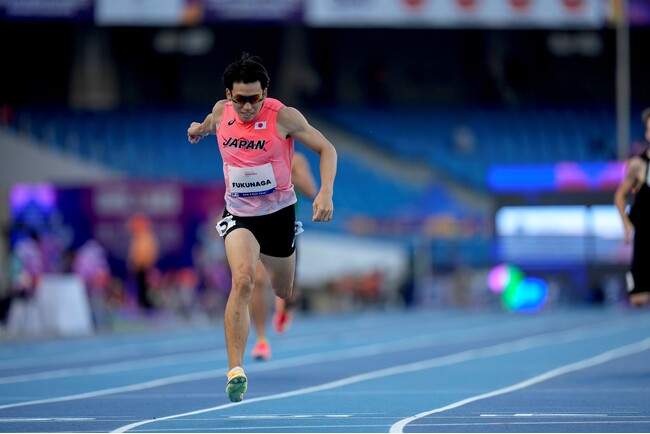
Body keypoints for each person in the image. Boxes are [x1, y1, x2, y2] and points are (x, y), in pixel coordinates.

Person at [187, 53, 337, 402]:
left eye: (255, 98)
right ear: (229, 95)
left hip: (279, 214)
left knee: (283, 290)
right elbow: (209, 124)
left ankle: (282, 302)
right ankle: (235, 370)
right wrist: (198, 130)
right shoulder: (222, 112)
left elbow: (327, 148)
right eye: (240, 99)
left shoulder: (284, 117)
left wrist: (325, 192)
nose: (247, 107)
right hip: (239, 214)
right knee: (243, 280)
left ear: (265, 93)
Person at [249, 152, 317, 362]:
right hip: (256, 222)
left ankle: (285, 306)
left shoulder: (295, 159)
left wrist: (283, 173)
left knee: (288, 293)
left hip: (285, 226)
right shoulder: (251, 152)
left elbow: (310, 190)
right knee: (258, 281)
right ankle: (261, 340)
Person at [614, 107, 650, 307]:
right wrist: (626, 224)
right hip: (644, 235)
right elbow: (619, 196)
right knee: (638, 298)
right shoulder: (638, 164)